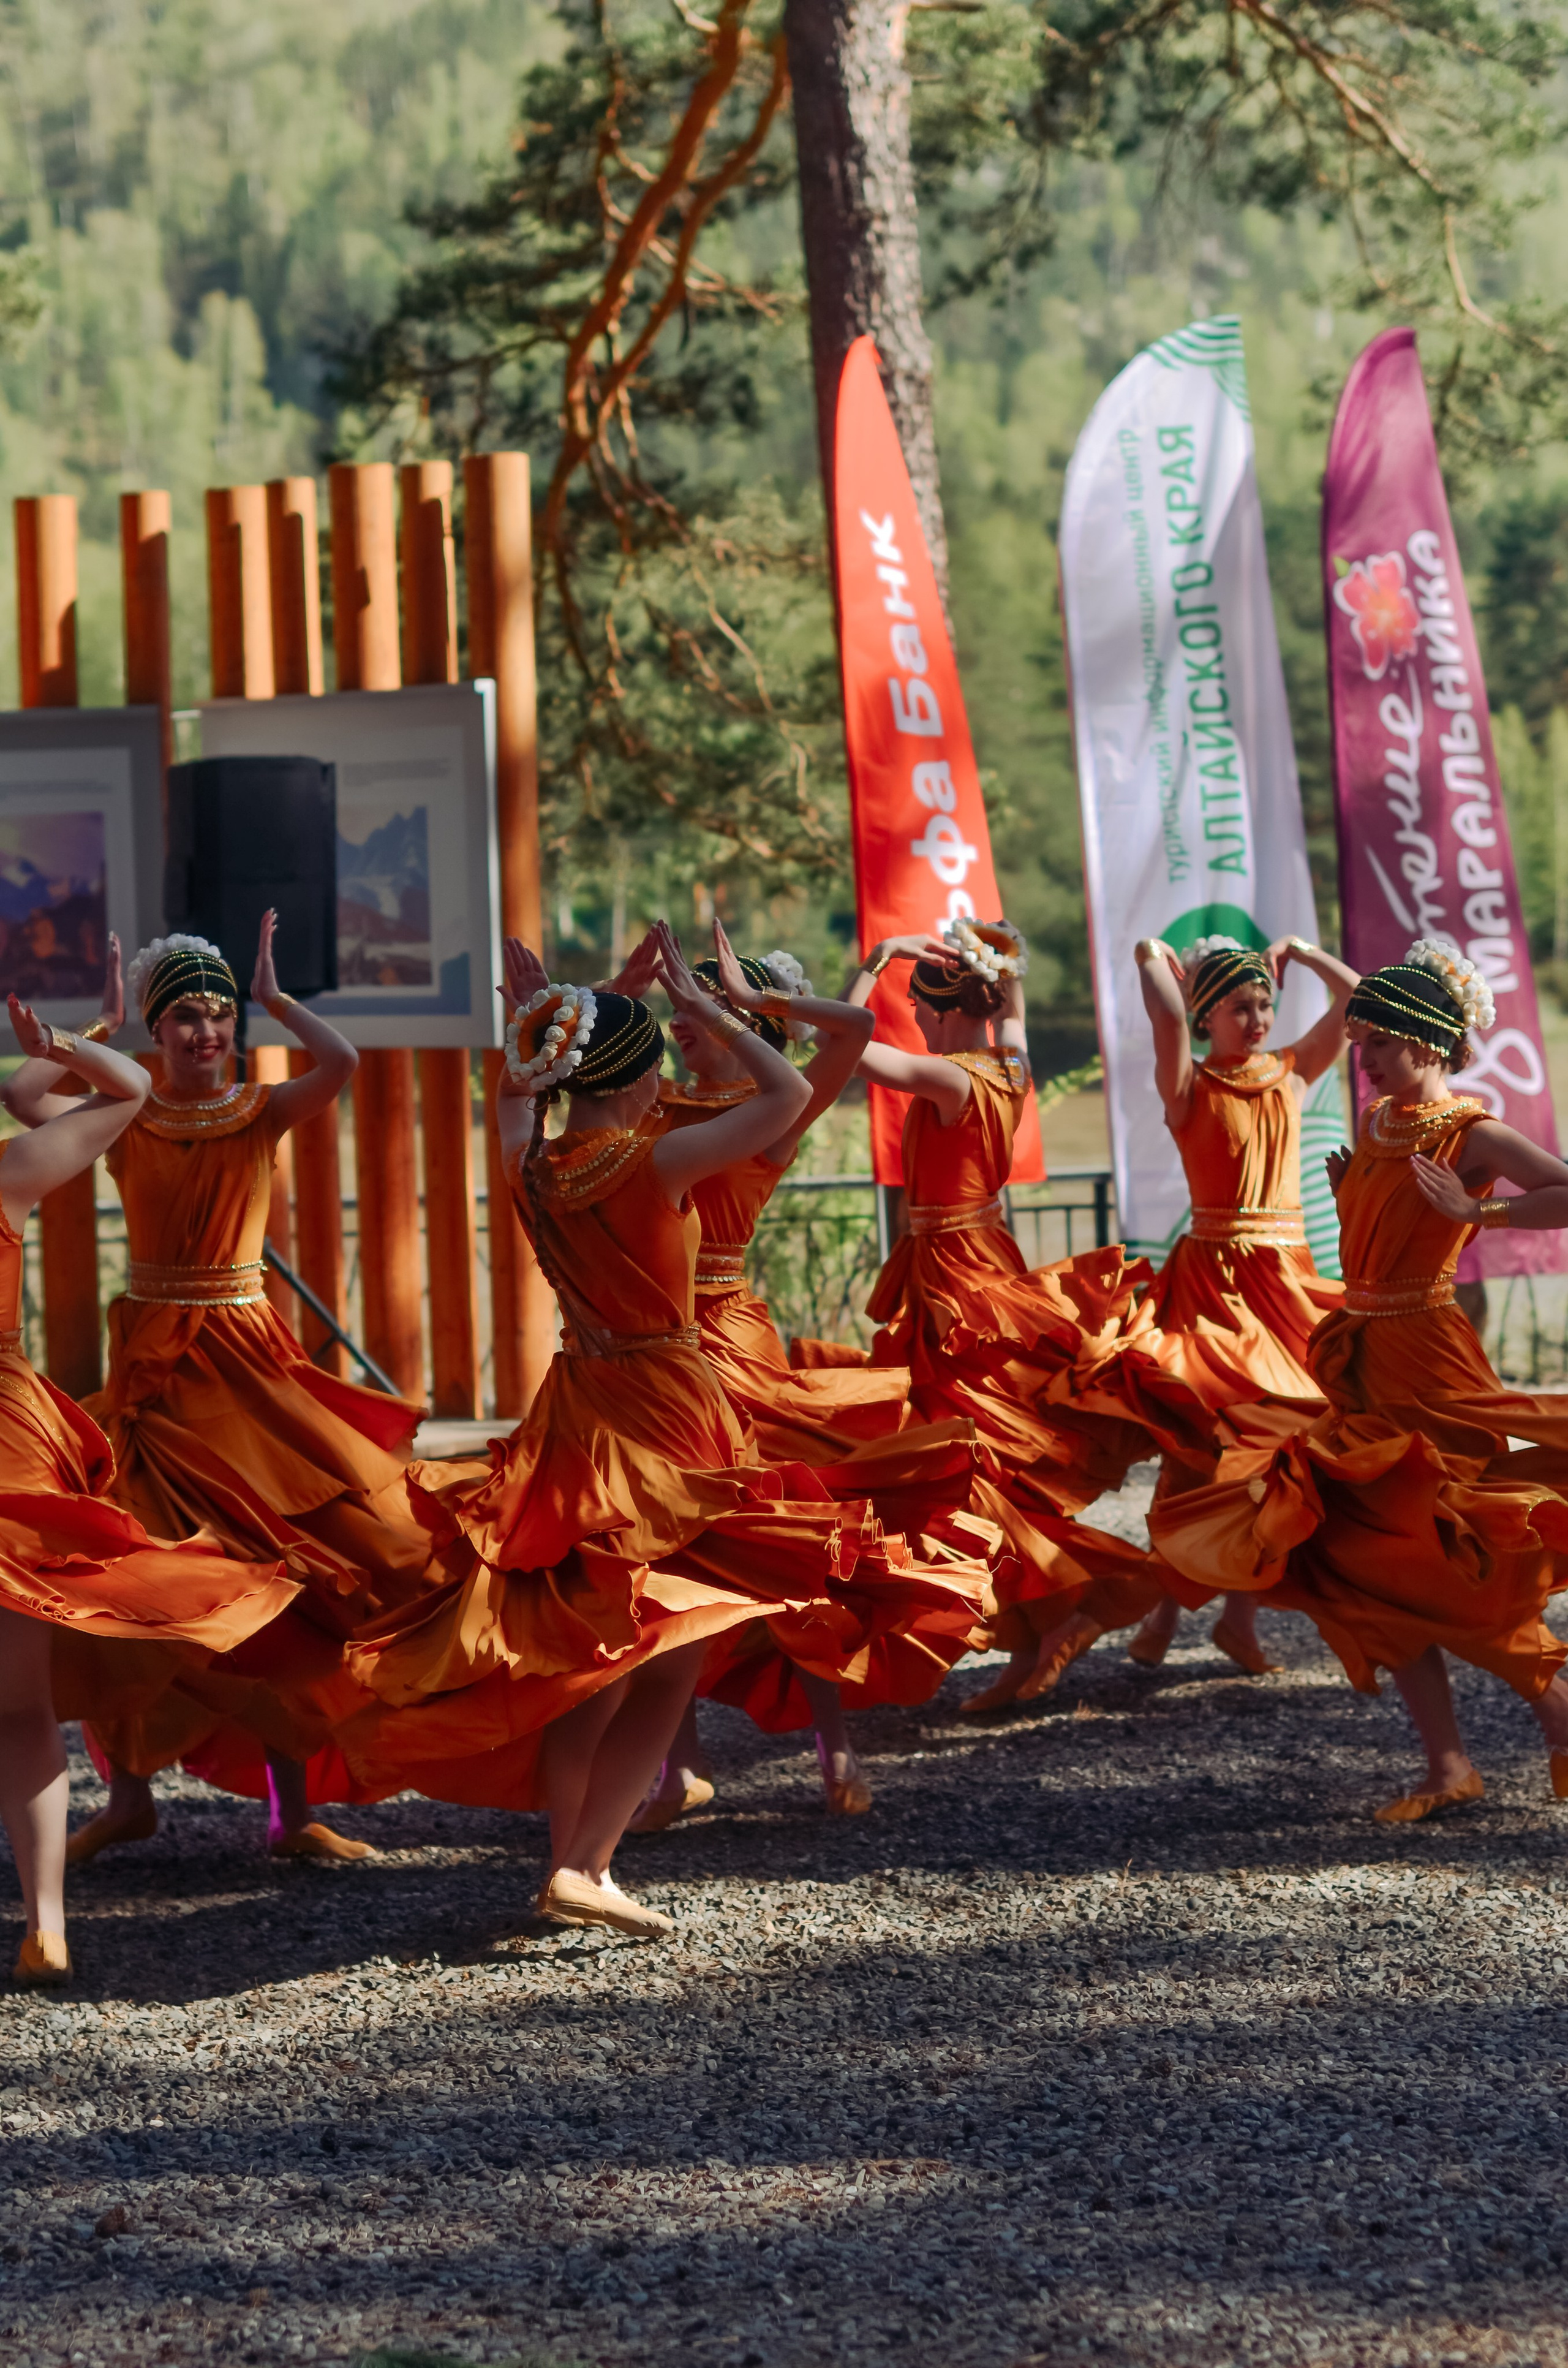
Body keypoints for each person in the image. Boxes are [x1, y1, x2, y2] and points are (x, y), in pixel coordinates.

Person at [339, 931, 985, 1938]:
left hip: (577, 1411)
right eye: (657, 1067)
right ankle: (583, 1866)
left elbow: (512, 1099)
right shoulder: (658, 1162)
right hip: (670, 1412)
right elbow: (780, 1097)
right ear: (642, 1082)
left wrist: (556, 1014)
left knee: (603, 1647)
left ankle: (578, 1862)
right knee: (665, 1650)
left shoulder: (535, 1168)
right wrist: (718, 1009)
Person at [1, 920, 432, 1863]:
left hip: (249, 1366)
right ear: (158, 1033)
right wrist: (99, 1027)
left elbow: (345, 1062)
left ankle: (289, 1810)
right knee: (140, 1576)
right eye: (188, 1016)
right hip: (157, 1371)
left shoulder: (259, 1110)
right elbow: (23, 1090)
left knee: (277, 1569)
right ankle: (130, 1795)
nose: (208, 1032)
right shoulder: (131, 1116)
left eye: (221, 1015)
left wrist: (279, 999)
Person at [1149, 942, 1568, 1821]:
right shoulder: (1376, 1129)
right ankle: (1449, 1764)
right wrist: (1350, 1201)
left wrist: (1476, 1209)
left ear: (1423, 1042)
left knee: (1449, 1556)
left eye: (1376, 1041)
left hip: (1432, 1360)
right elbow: (1374, 1242)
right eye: (1362, 1040)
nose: (1363, 1057)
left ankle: (1556, 1712)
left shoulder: (1470, 1131)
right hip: (1360, 1360)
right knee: (1365, 1557)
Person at [631, 923, 990, 1829]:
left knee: (789, 1546)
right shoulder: (650, 1104)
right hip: (652, 1345)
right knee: (653, 1546)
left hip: (728, 1341)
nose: (681, 1021)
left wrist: (755, 1004)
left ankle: (834, 1747)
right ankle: (678, 1767)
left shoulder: (775, 1106)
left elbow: (854, 1034)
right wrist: (610, 990)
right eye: (678, 1008)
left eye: (696, 1009)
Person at [0, 993, 297, 1984]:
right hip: (17, 1435)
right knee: (18, 1710)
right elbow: (127, 1088)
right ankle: (46, 1919)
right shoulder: (7, 1177)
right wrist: (79, 1040)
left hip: (200, 1371)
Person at [826, 919, 1157, 1716]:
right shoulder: (1009, 1067)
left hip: (958, 1287)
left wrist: (872, 964)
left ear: (941, 1012)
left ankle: (1070, 1602)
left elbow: (848, 1049)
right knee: (981, 1470)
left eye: (920, 1011)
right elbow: (1012, 1015)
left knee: (967, 1465)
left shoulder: (953, 1079)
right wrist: (1005, 964)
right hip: (973, 1264)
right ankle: (1042, 1627)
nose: (919, 1024)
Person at [1056, 931, 1355, 1678]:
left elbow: (1355, 1001)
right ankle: (1175, 1613)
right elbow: (1164, 1017)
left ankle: (1224, 1619)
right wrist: (1151, 956)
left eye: (1264, 1004)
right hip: (1216, 1290)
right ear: (1207, 1014)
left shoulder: (1291, 1071)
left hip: (1285, 1284)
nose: (1257, 1019)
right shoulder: (1189, 1087)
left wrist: (1305, 952)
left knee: (1286, 1448)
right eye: (1239, 1006)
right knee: (1210, 1451)